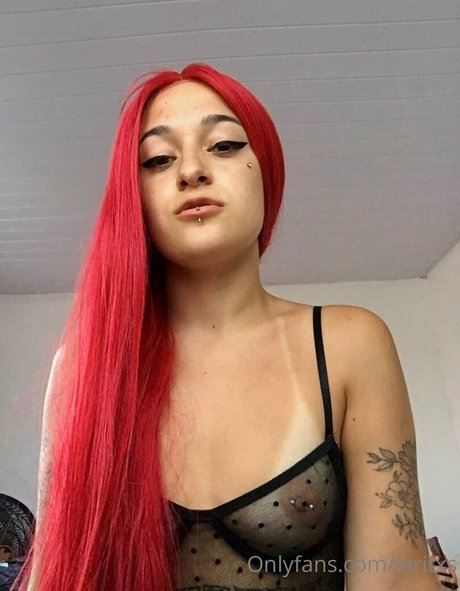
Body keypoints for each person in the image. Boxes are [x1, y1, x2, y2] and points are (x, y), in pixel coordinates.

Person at [19, 63, 446, 590]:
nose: (191, 170)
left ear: (266, 172)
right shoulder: (86, 368)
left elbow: (397, 579)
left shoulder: (349, 345)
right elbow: (51, 573)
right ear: (134, 198)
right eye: (158, 159)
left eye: (223, 146)